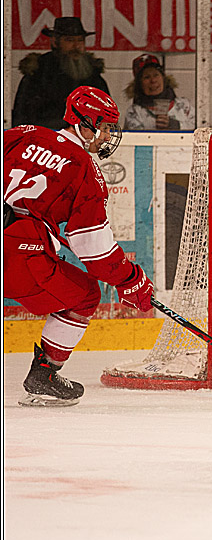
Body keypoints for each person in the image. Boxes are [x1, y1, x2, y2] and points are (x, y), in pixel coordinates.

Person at [4, 86, 154, 407]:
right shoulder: (85, 169)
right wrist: (131, 280)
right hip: (18, 251)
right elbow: (95, 253)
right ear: (85, 123)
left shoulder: (20, 135)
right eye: (105, 127)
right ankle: (44, 374)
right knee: (85, 295)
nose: (106, 136)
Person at [12, 17, 111, 129]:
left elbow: (106, 114)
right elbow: (23, 116)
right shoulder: (39, 74)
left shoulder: (93, 75)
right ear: (55, 42)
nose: (76, 46)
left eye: (80, 40)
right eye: (69, 40)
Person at [122, 54, 196, 131]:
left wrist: (174, 125)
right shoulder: (134, 112)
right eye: (147, 77)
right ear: (139, 84)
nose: (153, 81)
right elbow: (135, 138)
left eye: (156, 75)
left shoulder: (184, 105)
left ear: (164, 78)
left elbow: (200, 131)